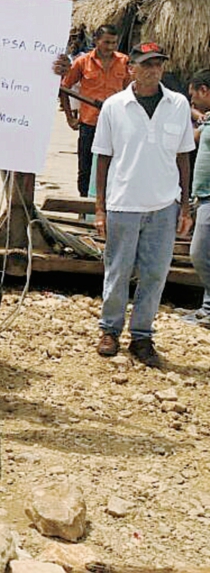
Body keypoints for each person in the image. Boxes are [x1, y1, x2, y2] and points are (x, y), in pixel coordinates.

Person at [92, 43, 194, 367]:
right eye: (146, 64)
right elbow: (103, 159)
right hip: (124, 202)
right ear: (131, 68)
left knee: (155, 274)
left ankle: (142, 336)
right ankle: (109, 330)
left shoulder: (178, 105)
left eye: (158, 65)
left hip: (164, 204)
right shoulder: (114, 106)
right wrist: (99, 208)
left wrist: (185, 206)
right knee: (118, 270)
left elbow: (183, 156)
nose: (153, 70)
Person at [60, 25, 131, 197]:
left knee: (114, 167)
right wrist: (70, 117)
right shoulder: (82, 62)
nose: (110, 47)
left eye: (114, 43)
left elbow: (131, 91)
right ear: (96, 41)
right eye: (106, 42)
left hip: (116, 125)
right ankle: (83, 207)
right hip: (89, 124)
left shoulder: (124, 61)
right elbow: (64, 88)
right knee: (85, 168)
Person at [187, 69, 210, 328]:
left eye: (194, 98)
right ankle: (206, 308)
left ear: (204, 90)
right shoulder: (207, 120)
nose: (193, 102)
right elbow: (191, 140)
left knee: (199, 254)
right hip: (202, 196)